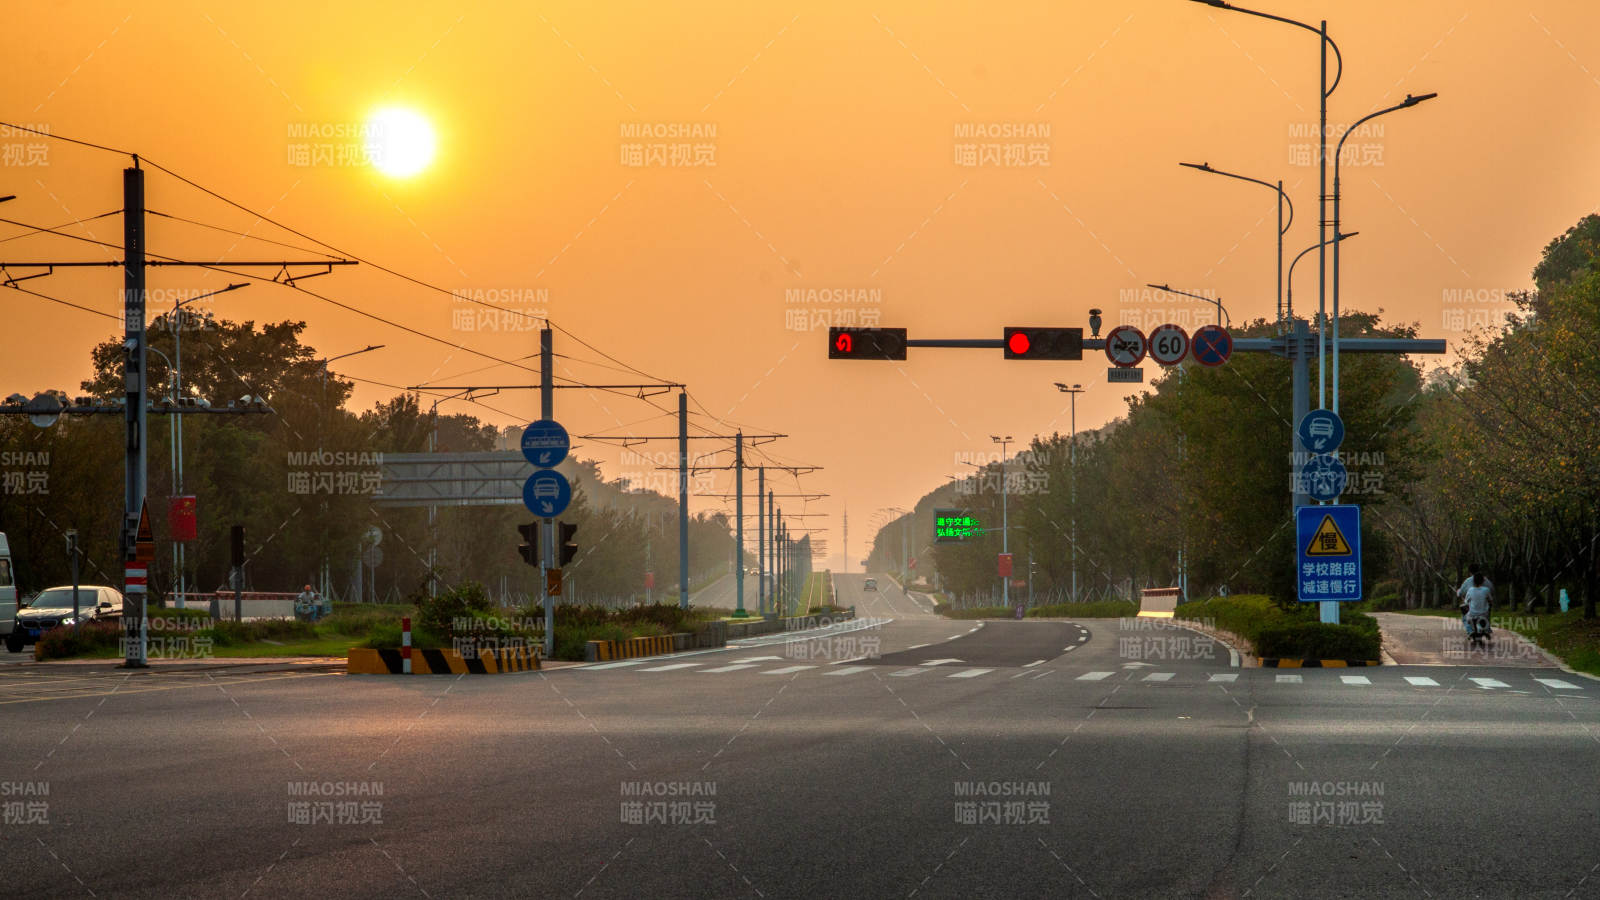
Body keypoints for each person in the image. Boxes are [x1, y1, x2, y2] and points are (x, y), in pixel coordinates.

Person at [1457, 564, 1492, 639]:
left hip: (1472, 611)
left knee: (1464, 617)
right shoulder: (1487, 582)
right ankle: (1487, 629)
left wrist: (1458, 592)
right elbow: (1492, 590)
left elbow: (1462, 594)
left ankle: (1470, 630)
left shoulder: (1468, 582)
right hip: (1484, 610)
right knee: (1487, 611)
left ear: (1470, 572)